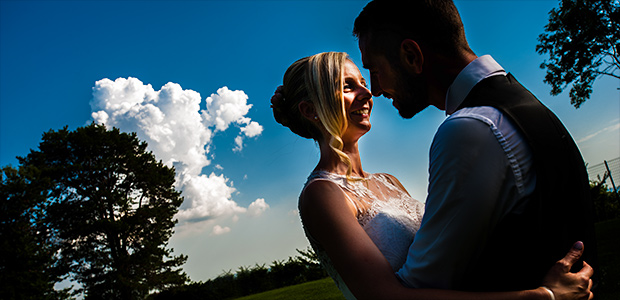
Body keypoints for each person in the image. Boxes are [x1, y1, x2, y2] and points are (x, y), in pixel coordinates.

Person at [271, 51, 593, 300]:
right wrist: (541, 296)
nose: (368, 94)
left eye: (364, 84)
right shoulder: (322, 195)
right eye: (347, 86)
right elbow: (384, 296)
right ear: (310, 110)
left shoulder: (389, 181)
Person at [352, 0, 598, 292]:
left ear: (411, 56)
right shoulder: (517, 103)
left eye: (376, 70)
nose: (375, 90)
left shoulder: (470, 130)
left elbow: (422, 284)